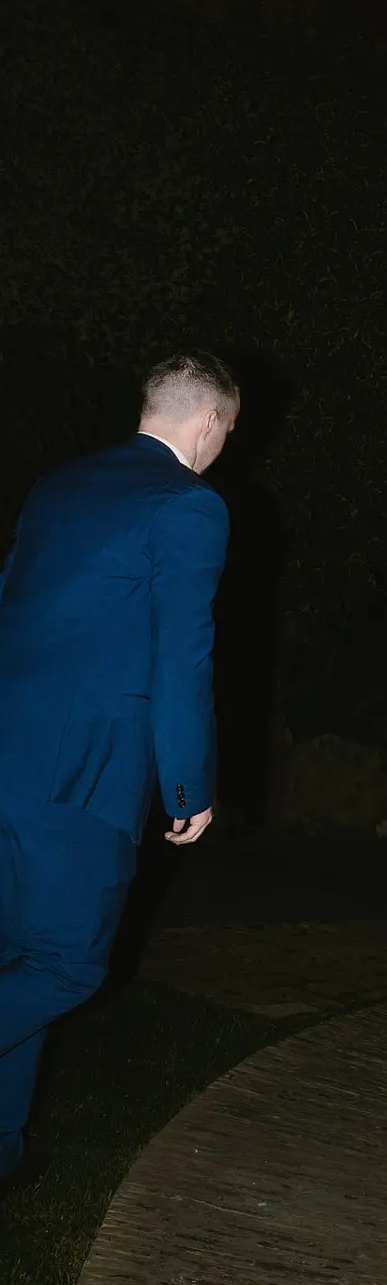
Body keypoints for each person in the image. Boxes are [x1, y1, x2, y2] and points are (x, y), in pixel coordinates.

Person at [0, 350, 238, 1188]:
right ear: (209, 420)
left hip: (7, 754)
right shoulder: (189, 504)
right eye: (228, 432)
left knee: (13, 961)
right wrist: (188, 787)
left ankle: (5, 1151)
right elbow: (183, 657)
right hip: (84, 780)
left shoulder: (57, 485)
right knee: (67, 966)